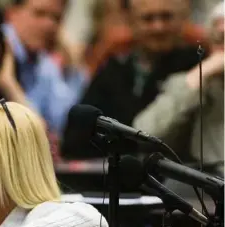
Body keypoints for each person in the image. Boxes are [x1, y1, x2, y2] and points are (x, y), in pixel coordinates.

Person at [63, 0, 203, 159]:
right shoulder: (114, 67)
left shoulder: (199, 66)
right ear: (131, 21)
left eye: (166, 17)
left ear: (182, 18)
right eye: (148, 19)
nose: (158, 27)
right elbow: (77, 139)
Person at [133, 1, 224, 174]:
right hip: (213, 189)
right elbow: (143, 133)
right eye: (221, 39)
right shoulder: (196, 83)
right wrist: (199, 75)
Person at [0, 0, 88, 136]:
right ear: (12, 13)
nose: (49, 25)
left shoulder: (44, 64)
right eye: (40, 14)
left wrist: (73, 64)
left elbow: (63, 126)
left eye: (56, 18)